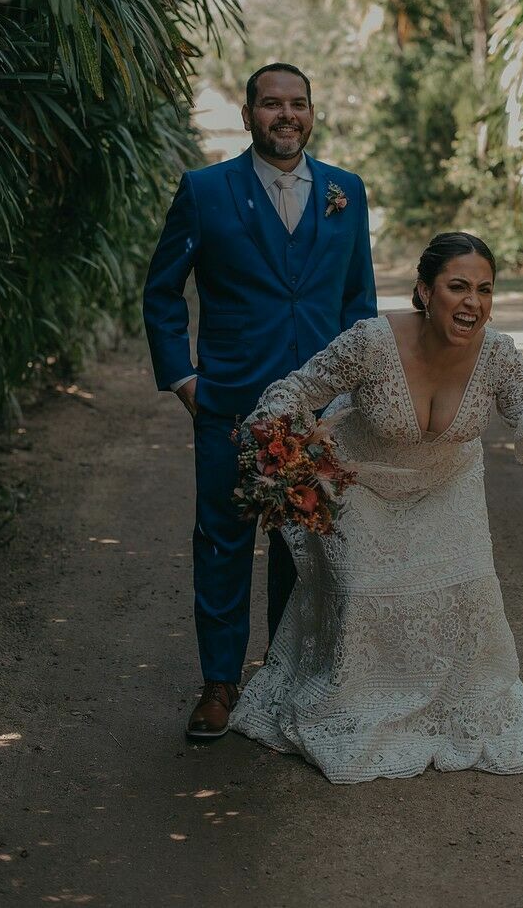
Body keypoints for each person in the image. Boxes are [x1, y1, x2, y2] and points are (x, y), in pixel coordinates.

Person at [229, 232, 523, 783]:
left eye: (485, 290)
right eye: (458, 286)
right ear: (425, 291)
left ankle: (447, 710)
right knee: (362, 594)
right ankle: (354, 710)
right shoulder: (371, 342)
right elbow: (293, 392)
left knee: (469, 591)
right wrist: (289, 460)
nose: (473, 302)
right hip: (361, 486)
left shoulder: (498, 356)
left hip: (449, 488)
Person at [143, 63, 377, 739]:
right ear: (248, 115)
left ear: (311, 113)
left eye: (297, 103)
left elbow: (356, 300)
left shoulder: (344, 192)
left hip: (316, 411)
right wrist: (184, 381)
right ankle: (219, 685)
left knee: (301, 547)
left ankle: (281, 683)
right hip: (229, 406)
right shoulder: (205, 191)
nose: (285, 114)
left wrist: (350, 395)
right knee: (222, 542)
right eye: (271, 104)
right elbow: (162, 291)